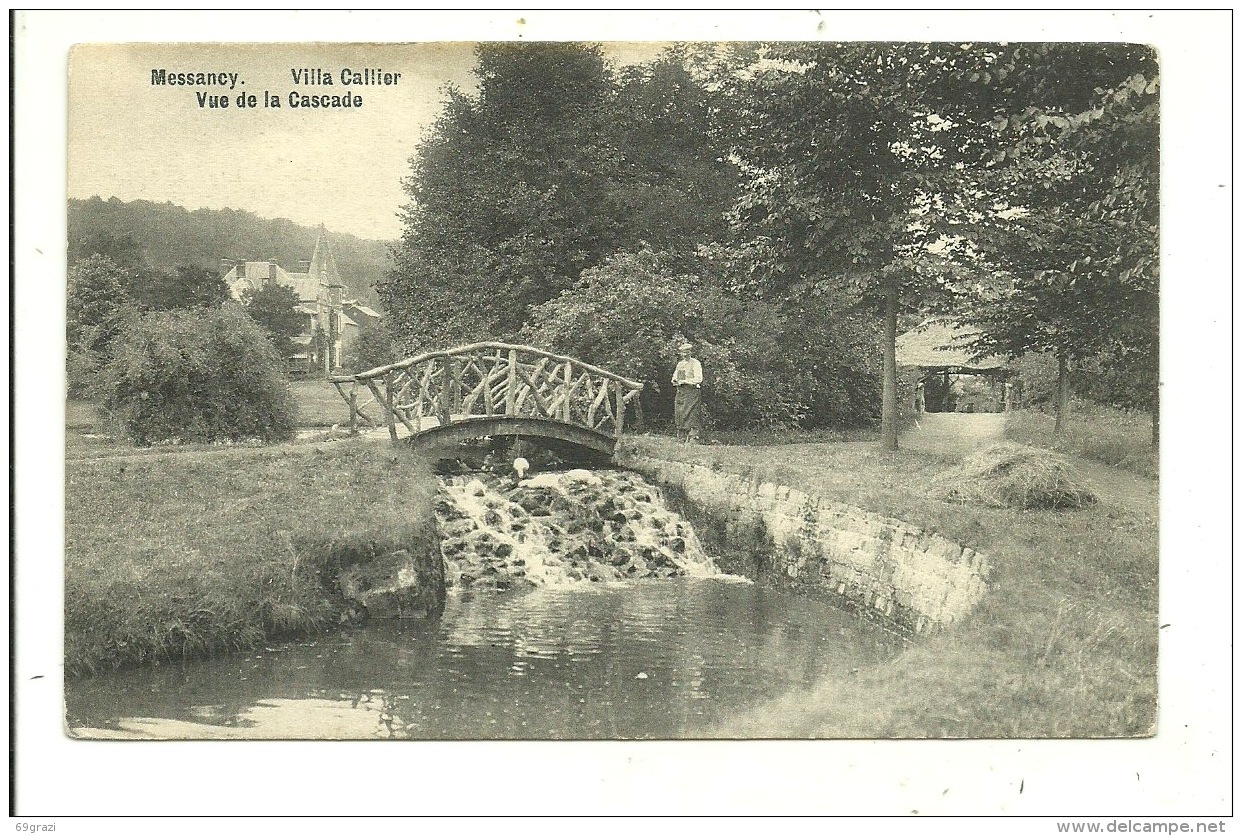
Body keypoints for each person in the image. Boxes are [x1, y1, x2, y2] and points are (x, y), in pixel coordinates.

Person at [671, 341, 703, 443]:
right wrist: (675, 380)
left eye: (687, 353)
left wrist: (686, 381)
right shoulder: (681, 364)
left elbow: (699, 379)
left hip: (692, 391)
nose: (685, 355)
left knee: (692, 413)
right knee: (680, 412)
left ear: (690, 352)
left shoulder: (695, 363)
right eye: (683, 353)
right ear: (681, 354)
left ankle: (694, 437)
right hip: (681, 391)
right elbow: (678, 377)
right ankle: (682, 436)